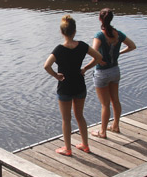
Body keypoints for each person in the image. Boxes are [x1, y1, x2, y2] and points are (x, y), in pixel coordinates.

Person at [43, 14, 103, 156]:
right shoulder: (82, 46)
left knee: (66, 119)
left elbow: (46, 66)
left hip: (64, 87)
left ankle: (68, 149)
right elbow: (99, 57)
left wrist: (56, 75)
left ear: (62, 32)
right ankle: (85, 145)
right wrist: (86, 68)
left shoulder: (59, 49)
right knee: (80, 116)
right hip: (79, 85)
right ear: (74, 31)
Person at [90, 8, 136, 138]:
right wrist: (119, 53)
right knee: (115, 100)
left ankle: (102, 132)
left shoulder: (99, 35)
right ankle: (115, 126)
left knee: (105, 104)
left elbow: (93, 52)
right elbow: (132, 46)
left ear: (100, 19)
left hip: (102, 73)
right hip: (115, 70)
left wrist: (98, 60)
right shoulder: (118, 34)